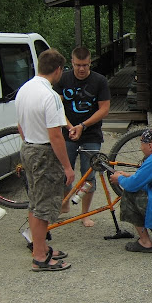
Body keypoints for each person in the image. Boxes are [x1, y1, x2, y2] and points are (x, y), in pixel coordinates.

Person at [15, 48, 75, 272]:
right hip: (44, 151)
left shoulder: (24, 89)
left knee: (34, 202)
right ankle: (40, 257)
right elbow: (55, 135)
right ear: (58, 70)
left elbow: (20, 125)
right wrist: (67, 167)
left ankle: (40, 247)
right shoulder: (50, 96)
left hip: (28, 147)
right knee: (44, 206)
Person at [54, 46, 111, 226]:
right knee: (65, 172)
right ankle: (65, 204)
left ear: (90, 63)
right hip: (67, 133)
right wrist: (70, 126)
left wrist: (83, 125)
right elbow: (56, 107)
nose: (81, 69)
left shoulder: (99, 80)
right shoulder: (63, 79)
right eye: (78, 65)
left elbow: (104, 109)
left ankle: (84, 214)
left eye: (85, 65)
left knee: (89, 176)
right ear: (72, 63)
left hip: (91, 135)